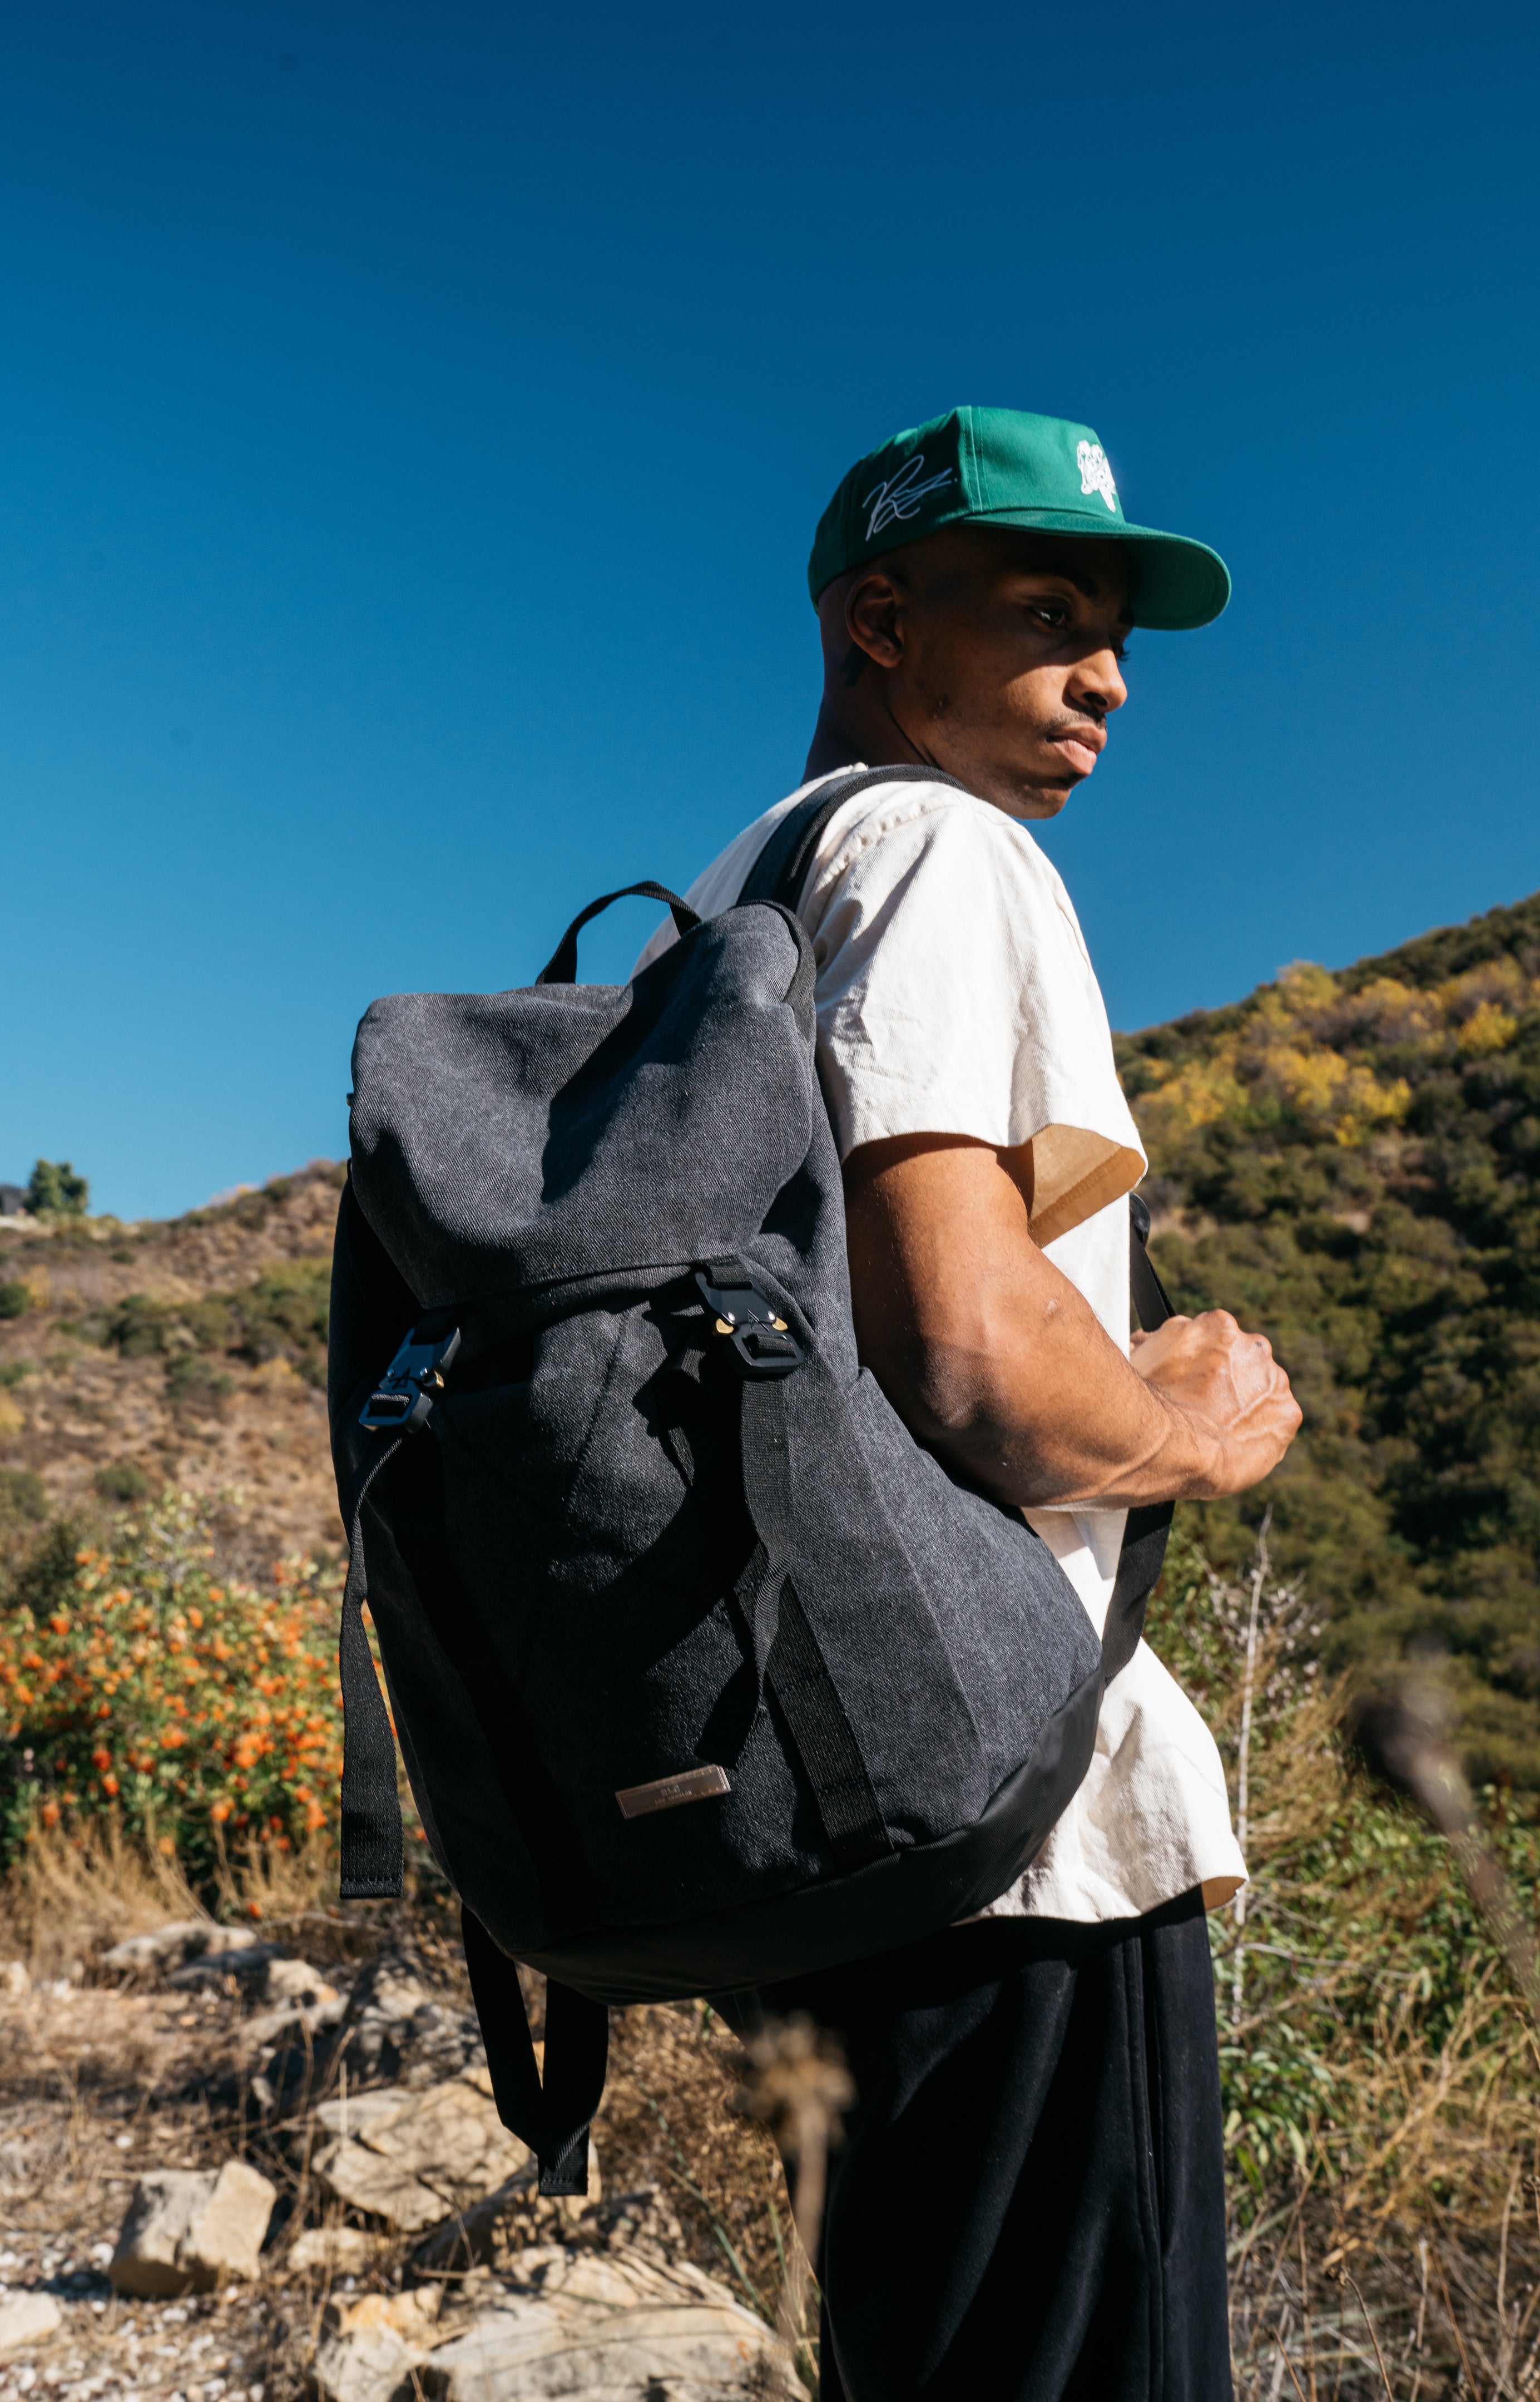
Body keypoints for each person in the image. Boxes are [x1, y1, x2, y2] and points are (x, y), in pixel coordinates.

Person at [637, 407, 1302, 2401]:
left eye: (1113, 631)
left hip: (813, 1827)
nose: (1105, 673)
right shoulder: (939, 846)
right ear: (878, 618)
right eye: (1041, 610)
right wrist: (1194, 1420)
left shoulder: (727, 893)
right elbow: (972, 1353)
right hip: (1013, 1838)